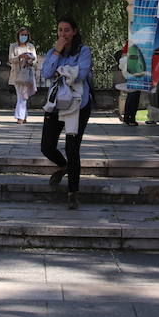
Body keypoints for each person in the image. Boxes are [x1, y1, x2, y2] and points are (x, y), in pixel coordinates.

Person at [40, 16, 93, 209]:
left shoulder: (83, 51)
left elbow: (81, 73)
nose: (63, 34)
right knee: (46, 146)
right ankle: (63, 166)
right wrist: (57, 53)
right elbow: (45, 73)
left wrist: (60, 71)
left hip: (78, 104)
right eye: (60, 30)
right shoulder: (53, 51)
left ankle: (73, 192)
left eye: (67, 30)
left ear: (74, 31)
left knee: (72, 148)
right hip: (56, 102)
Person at [8, 26, 39, 124]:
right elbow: (11, 59)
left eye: (25, 35)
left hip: (27, 74)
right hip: (17, 74)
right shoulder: (13, 46)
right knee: (20, 95)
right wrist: (20, 57)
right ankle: (21, 116)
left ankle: (22, 116)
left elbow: (35, 61)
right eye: (22, 35)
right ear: (18, 35)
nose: (24, 36)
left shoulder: (31, 46)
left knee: (24, 95)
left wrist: (29, 60)